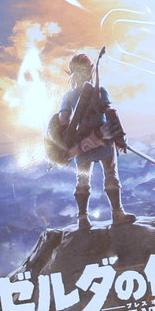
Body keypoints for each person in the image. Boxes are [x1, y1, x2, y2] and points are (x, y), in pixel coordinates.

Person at [44, 52, 135, 231]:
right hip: (101, 138)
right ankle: (115, 214)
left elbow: (63, 120)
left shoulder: (71, 95)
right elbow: (110, 113)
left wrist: (66, 144)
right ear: (90, 71)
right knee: (109, 175)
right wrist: (119, 137)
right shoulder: (97, 91)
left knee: (84, 179)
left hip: (85, 142)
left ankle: (84, 218)